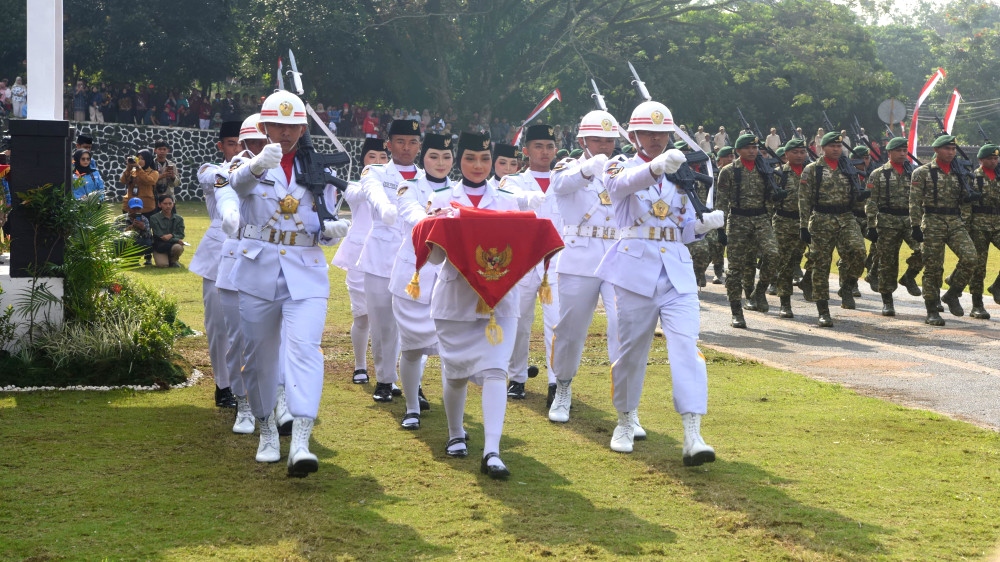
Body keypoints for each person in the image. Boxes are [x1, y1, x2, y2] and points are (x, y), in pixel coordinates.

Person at [225, 90, 349, 476]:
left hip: (306, 272)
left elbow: (322, 215)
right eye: (276, 125)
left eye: (292, 125)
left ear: (302, 128)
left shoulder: (316, 167)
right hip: (258, 271)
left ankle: (300, 441)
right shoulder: (249, 163)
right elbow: (237, 187)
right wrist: (259, 164)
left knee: (305, 351)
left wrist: (330, 231)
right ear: (263, 127)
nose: (284, 132)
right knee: (260, 357)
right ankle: (265, 429)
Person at [597, 100, 723, 464]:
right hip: (635, 270)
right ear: (633, 135)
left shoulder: (681, 171)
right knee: (630, 351)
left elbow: (680, 228)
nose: (656, 139)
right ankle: (625, 419)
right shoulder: (618, 163)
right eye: (648, 133)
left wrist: (700, 226)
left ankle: (692, 433)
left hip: (677, 271)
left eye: (662, 133)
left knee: (687, 348)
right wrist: (654, 168)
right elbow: (620, 186)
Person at [422, 131, 526, 478]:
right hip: (455, 300)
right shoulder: (440, 196)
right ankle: (455, 434)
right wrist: (436, 224)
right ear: (458, 161)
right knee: (456, 374)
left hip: (500, 303)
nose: (478, 166)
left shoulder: (510, 199)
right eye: (469, 159)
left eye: (484, 159)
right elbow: (434, 260)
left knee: (498, 370)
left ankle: (492, 451)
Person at [547, 110, 622, 423]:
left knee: (624, 326)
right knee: (571, 329)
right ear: (581, 141)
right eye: (597, 139)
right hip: (580, 255)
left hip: (619, 255)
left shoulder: (623, 168)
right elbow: (560, 185)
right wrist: (587, 171)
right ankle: (562, 388)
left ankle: (626, 404)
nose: (604, 145)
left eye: (609, 140)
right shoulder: (570, 166)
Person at [388, 133, 455, 428]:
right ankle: (412, 406)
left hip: (452, 279)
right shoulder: (409, 186)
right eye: (433, 156)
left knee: (451, 351)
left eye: (446, 157)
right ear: (422, 158)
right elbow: (414, 215)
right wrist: (439, 219)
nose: (440, 163)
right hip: (414, 275)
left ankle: (455, 419)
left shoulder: (464, 189)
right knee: (412, 348)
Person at [358, 118, 424, 403]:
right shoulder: (375, 171)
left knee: (415, 324)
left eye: (412, 142)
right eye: (400, 141)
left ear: (419, 146)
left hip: (413, 259)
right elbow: (372, 193)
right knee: (382, 322)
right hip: (380, 257)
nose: (406, 147)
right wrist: (385, 206)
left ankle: (414, 384)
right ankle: (385, 380)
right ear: (388, 144)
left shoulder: (426, 177)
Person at [216, 113, 271, 434]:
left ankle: (269, 399)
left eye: (266, 142)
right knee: (238, 339)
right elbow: (228, 189)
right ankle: (243, 402)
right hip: (237, 264)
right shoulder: (232, 168)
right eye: (255, 143)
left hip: (274, 264)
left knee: (270, 339)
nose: (261, 147)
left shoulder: (286, 169)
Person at [499, 124, 561, 405]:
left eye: (549, 146)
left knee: (556, 324)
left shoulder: (564, 180)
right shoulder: (512, 183)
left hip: (557, 260)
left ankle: (556, 382)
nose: (544, 152)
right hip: (523, 260)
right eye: (538, 146)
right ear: (526, 151)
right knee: (519, 321)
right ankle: (517, 377)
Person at [189, 121, 243, 410]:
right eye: (232, 143)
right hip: (219, 251)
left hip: (252, 251)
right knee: (219, 325)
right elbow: (212, 179)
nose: (238, 149)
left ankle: (253, 384)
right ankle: (223, 386)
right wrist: (242, 167)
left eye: (243, 143)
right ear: (221, 145)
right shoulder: (210, 169)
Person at [332, 138, 389, 385]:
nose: (377, 162)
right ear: (363, 160)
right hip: (358, 255)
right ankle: (360, 366)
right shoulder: (355, 186)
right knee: (362, 316)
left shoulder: (399, 186)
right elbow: (356, 193)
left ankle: (387, 373)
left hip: (387, 255)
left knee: (388, 317)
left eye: (383, 158)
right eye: (372, 157)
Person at [798, 131, 866, 327]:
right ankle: (823, 310)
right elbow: (804, 200)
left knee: (859, 252)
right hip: (821, 218)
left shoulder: (849, 168)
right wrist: (803, 226)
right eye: (833, 146)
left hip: (846, 217)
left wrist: (862, 204)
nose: (837, 149)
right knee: (821, 265)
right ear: (822, 148)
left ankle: (847, 286)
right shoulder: (813, 170)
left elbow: (856, 195)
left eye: (839, 146)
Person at [910, 134, 978, 326]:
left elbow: (964, 199)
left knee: (971, 257)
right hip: (932, 221)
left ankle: (953, 293)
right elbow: (914, 201)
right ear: (936, 150)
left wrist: (969, 202)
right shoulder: (922, 172)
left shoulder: (959, 172)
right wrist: (915, 225)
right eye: (947, 148)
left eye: (953, 149)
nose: (951, 152)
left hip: (955, 221)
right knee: (933, 267)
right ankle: (932, 309)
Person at [716, 133, 780, 328]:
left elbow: (770, 197)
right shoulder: (729, 171)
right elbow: (721, 202)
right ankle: (736, 311)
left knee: (773, 254)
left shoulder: (765, 169)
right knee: (735, 269)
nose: (752, 151)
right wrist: (721, 227)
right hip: (738, 220)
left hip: (761, 218)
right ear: (738, 151)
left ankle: (758, 292)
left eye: (755, 148)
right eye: (748, 148)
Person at [865, 137, 923, 316]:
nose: (903, 153)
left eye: (905, 150)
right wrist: (871, 225)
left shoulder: (913, 173)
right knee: (887, 263)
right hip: (887, 220)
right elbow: (871, 201)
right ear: (889, 153)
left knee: (926, 250)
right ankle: (887, 301)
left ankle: (909, 277)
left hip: (909, 220)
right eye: (898, 150)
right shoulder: (879, 173)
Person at [773, 138, 809, 318]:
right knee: (785, 263)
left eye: (802, 152)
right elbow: (768, 199)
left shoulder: (812, 171)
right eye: (795, 152)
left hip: (809, 222)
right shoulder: (779, 173)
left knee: (817, 256)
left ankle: (808, 281)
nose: (799, 155)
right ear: (786, 154)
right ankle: (785, 302)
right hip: (784, 222)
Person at [973, 144, 1000, 315]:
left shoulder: (999, 176)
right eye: (990, 158)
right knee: (979, 266)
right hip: (978, 225)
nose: (994, 161)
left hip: (998, 223)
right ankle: (977, 304)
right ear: (981, 160)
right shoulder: (973, 177)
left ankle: (996, 286)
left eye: (996, 158)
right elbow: (966, 204)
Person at [120, 149, 159, 219]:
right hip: (130, 206)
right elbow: (123, 181)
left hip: (146, 207)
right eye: (138, 159)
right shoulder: (132, 171)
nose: (140, 161)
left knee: (144, 228)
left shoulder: (154, 173)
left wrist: (138, 168)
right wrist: (128, 169)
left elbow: (148, 181)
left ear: (148, 160)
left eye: (143, 159)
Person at [148, 195, 185, 267]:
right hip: (160, 246)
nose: (168, 206)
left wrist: (171, 235)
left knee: (178, 247)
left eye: (170, 203)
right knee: (163, 265)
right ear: (159, 205)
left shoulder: (179, 219)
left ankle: (173, 260)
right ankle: (167, 259)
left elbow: (181, 234)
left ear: (173, 204)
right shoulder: (154, 218)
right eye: (165, 204)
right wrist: (176, 239)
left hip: (173, 244)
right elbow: (160, 236)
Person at [119, 197, 153, 262]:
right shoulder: (121, 219)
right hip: (126, 243)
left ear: (142, 209)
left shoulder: (144, 219)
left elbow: (149, 236)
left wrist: (143, 228)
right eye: (133, 208)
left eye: (138, 209)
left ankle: (147, 258)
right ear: (128, 208)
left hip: (139, 242)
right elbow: (116, 235)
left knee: (149, 242)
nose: (136, 211)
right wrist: (129, 228)